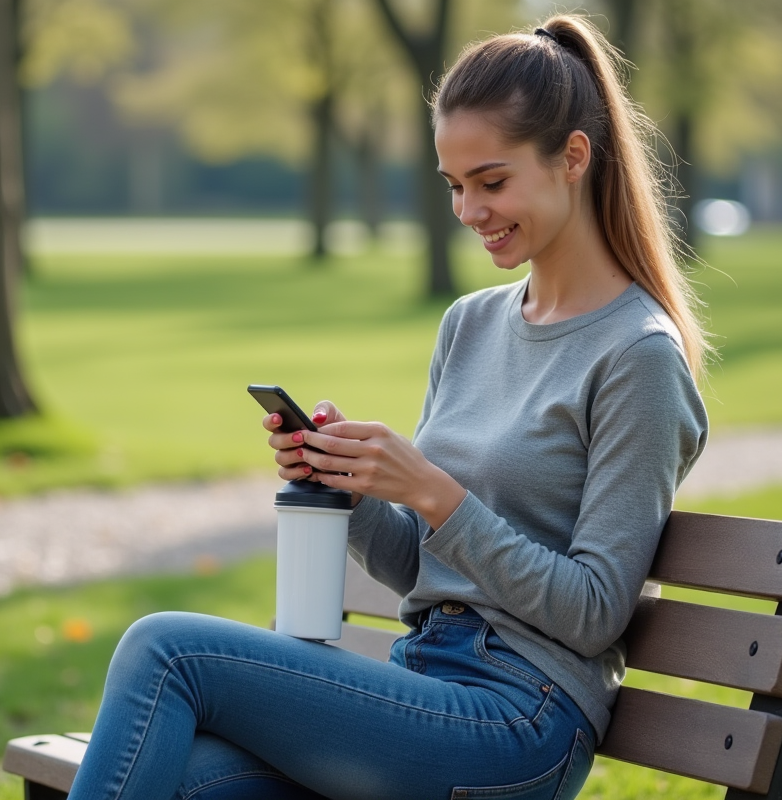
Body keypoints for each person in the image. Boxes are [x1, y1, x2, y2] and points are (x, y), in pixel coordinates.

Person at [67, 14, 709, 800]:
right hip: (423, 684)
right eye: (454, 186)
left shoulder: (637, 356)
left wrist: (435, 493)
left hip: (520, 722)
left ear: (573, 156)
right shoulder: (470, 324)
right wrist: (356, 489)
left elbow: (595, 613)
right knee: (190, 784)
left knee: (163, 650)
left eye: (493, 181)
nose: (470, 211)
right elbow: (420, 569)